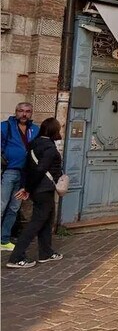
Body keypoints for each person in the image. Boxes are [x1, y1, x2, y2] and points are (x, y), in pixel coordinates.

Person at [6, 117, 62, 269]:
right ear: (54, 130)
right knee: (35, 223)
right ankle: (16, 257)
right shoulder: (49, 148)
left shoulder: (33, 144)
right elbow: (40, 169)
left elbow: (27, 168)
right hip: (44, 189)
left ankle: (46, 253)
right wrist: (27, 189)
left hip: (38, 189)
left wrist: (26, 187)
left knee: (46, 220)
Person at [1, 102, 39, 252]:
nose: (24, 114)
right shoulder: (5, 126)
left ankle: (3, 239)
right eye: (21, 111)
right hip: (8, 171)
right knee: (1, 205)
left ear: (31, 113)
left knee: (14, 208)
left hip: (25, 174)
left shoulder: (35, 130)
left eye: (27, 111)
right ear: (15, 112)